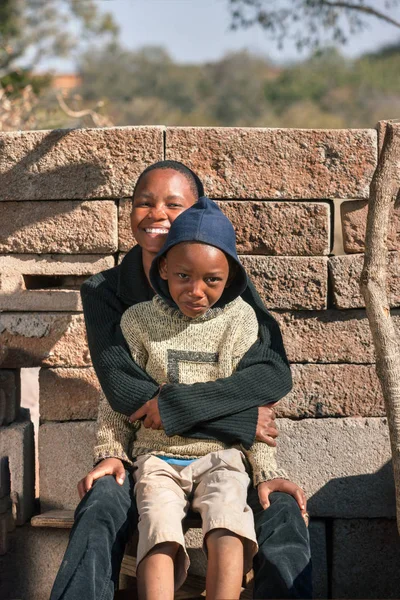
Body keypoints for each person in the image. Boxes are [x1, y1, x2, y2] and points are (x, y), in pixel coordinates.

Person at [50, 160, 312, 600]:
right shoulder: (106, 293)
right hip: (147, 457)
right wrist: (240, 421)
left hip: (224, 461)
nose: (157, 214)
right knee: (100, 505)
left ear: (197, 214)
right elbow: (124, 391)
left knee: (282, 509)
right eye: (144, 203)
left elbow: (270, 373)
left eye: (175, 204)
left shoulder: (225, 283)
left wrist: (183, 411)